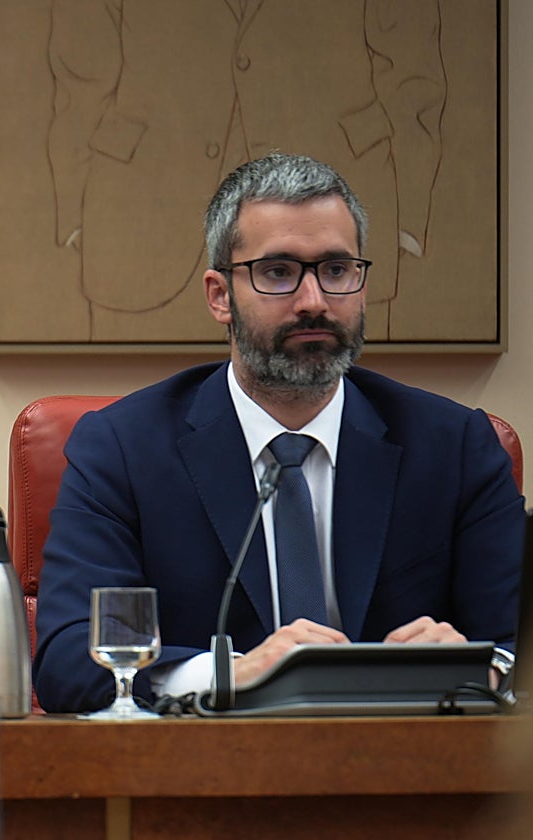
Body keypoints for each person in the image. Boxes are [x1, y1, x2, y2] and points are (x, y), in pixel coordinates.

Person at [32, 153, 524, 713]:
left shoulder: (455, 447)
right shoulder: (122, 450)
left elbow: (515, 645)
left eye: (337, 270)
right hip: (206, 782)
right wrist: (230, 673)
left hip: (408, 776)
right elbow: (70, 662)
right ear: (220, 296)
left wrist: (482, 667)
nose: (314, 301)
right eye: (278, 273)